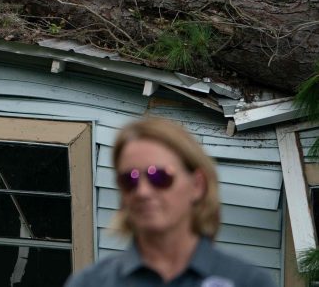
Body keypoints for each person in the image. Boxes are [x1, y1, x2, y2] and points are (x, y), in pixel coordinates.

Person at [64, 117, 274, 287]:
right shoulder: (90, 283)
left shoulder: (248, 281)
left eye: (159, 177)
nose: (143, 191)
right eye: (130, 180)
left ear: (197, 185)